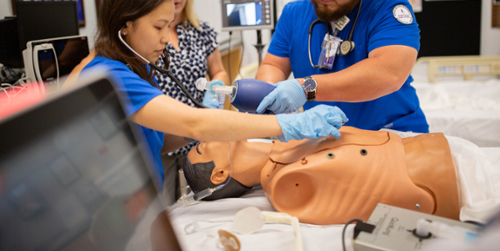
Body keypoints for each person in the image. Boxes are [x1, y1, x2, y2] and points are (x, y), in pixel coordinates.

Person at [71, 0, 347, 192]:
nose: (166, 38)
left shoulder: (137, 67)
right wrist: (287, 123)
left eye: (169, 25)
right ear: (125, 24)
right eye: (158, 27)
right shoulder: (107, 76)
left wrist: (206, 115)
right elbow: (194, 124)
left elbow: (157, 141)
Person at [255, 0, 428, 133]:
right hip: (325, 136)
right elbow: (274, 66)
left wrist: (305, 88)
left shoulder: (389, 10)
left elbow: (387, 73)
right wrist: (268, 95)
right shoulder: (293, 13)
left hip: (391, 133)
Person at [183, 127, 466, 225]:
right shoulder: (285, 187)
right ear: (220, 174)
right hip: (444, 176)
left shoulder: (280, 150)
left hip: (436, 154)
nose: (211, 135)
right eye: (205, 146)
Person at [149, 0, 230, 202]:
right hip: (162, 140)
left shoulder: (201, 30)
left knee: (202, 203)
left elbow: (218, 70)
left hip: (199, 140)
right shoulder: (147, 34)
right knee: (163, 210)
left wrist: (216, 87)